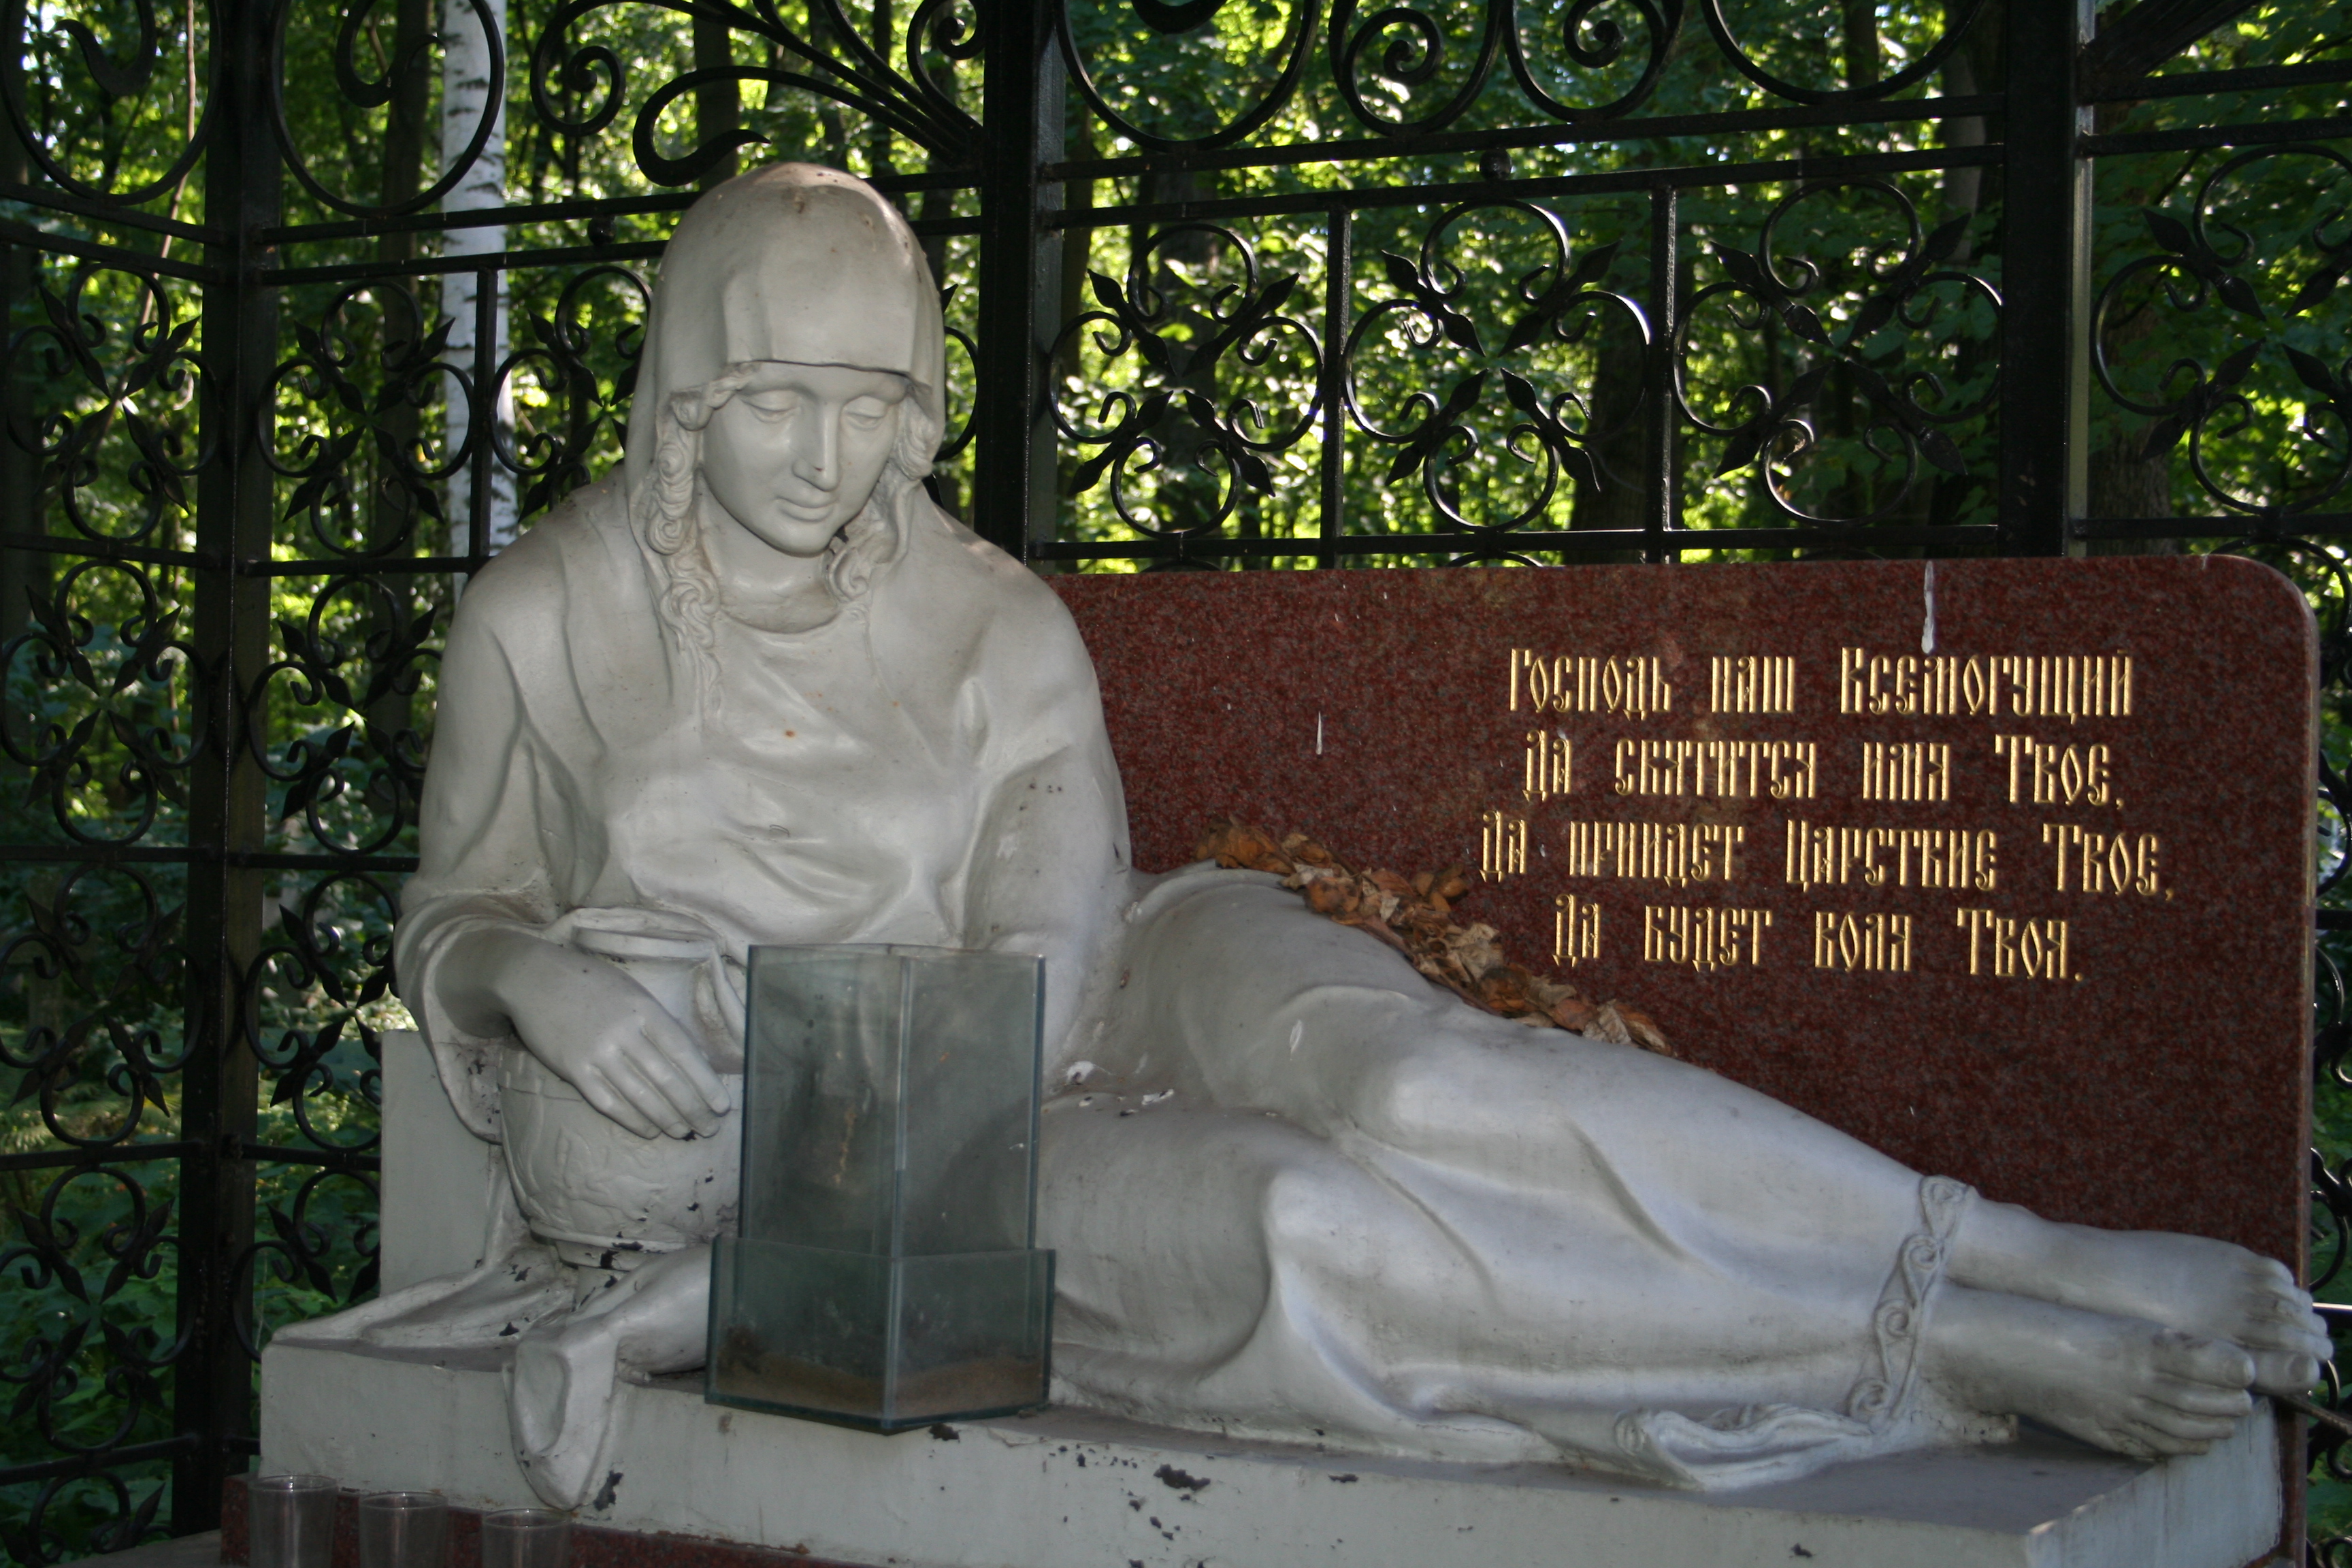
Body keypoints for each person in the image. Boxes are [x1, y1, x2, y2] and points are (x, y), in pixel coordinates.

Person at [306, 164, 2329, 1509]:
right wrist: (524, 972)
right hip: (843, 1151)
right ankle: (1947, 1356)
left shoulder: (991, 618)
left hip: (1068, 999)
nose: (827, 460)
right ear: (685, 398)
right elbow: (451, 906)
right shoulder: (546, 620)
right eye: (775, 407)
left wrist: (988, 1034)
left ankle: (2026, 1249)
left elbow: (1056, 922)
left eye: (866, 405)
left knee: (1418, 1067)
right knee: (1295, 1224)